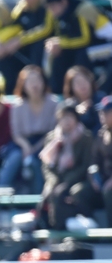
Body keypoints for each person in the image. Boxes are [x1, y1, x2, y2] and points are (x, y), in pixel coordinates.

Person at [43, 0, 112, 94]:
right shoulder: (60, 15)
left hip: (107, 44)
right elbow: (63, 36)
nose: (51, 11)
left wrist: (61, 43)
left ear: (64, 1)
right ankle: (56, 92)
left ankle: (90, 92)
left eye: (53, 6)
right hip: (91, 46)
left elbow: (85, 39)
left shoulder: (82, 9)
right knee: (58, 54)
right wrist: (55, 44)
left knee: (84, 54)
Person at [0, 0, 55, 88]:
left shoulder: (48, 5)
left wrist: (20, 41)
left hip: (47, 49)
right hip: (26, 48)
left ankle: (43, 86)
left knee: (39, 46)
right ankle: (8, 90)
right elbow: (13, 27)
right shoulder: (21, 8)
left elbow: (46, 29)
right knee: (4, 54)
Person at [2, 66, 58, 192]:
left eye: (37, 80)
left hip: (45, 142)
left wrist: (36, 147)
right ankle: (0, 189)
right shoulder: (17, 106)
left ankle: (39, 196)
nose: (34, 85)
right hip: (22, 142)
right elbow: (16, 133)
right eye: (30, 81)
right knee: (15, 157)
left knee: (37, 161)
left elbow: (53, 131)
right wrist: (26, 147)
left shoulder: (53, 103)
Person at [39, 102, 94, 230]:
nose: (67, 121)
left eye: (70, 117)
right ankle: (45, 226)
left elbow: (85, 165)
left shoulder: (85, 137)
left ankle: (60, 228)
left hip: (77, 179)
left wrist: (67, 182)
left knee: (62, 194)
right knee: (47, 194)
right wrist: (53, 180)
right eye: (63, 117)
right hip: (56, 178)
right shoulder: (52, 138)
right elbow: (47, 166)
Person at [85, 96, 112, 227]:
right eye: (102, 112)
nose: (103, 116)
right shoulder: (101, 134)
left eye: (107, 112)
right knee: (80, 193)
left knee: (109, 192)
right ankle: (92, 227)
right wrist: (93, 176)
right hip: (103, 181)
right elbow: (94, 161)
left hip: (110, 185)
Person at [64, 65, 101, 135]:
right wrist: (76, 114)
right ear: (71, 87)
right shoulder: (70, 105)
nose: (82, 85)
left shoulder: (101, 99)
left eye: (84, 80)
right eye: (78, 83)